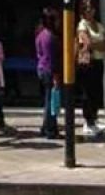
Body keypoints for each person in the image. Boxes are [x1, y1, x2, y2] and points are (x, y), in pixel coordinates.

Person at [76, 0, 105, 137]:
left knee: (97, 92)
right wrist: (96, 43)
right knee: (87, 93)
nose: (90, 11)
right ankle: (88, 122)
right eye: (87, 9)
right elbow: (86, 43)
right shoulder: (82, 25)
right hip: (88, 62)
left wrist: (94, 44)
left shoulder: (99, 25)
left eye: (92, 8)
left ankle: (94, 118)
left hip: (99, 61)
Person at [35, 8, 62, 140]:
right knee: (51, 101)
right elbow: (53, 58)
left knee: (48, 100)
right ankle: (50, 129)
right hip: (50, 70)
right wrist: (56, 75)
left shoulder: (40, 34)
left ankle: (47, 127)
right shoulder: (51, 37)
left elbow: (39, 53)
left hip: (41, 68)